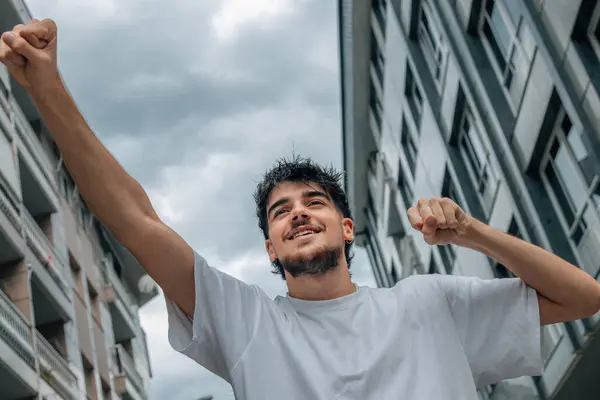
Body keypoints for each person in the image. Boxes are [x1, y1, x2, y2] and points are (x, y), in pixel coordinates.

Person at [1, 19, 599, 400]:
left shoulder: (427, 302)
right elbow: (137, 220)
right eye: (280, 212)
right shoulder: (246, 322)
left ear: (347, 227)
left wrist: (472, 232)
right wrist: (48, 90)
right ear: (270, 247)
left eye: (314, 201)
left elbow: (582, 297)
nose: (298, 213)